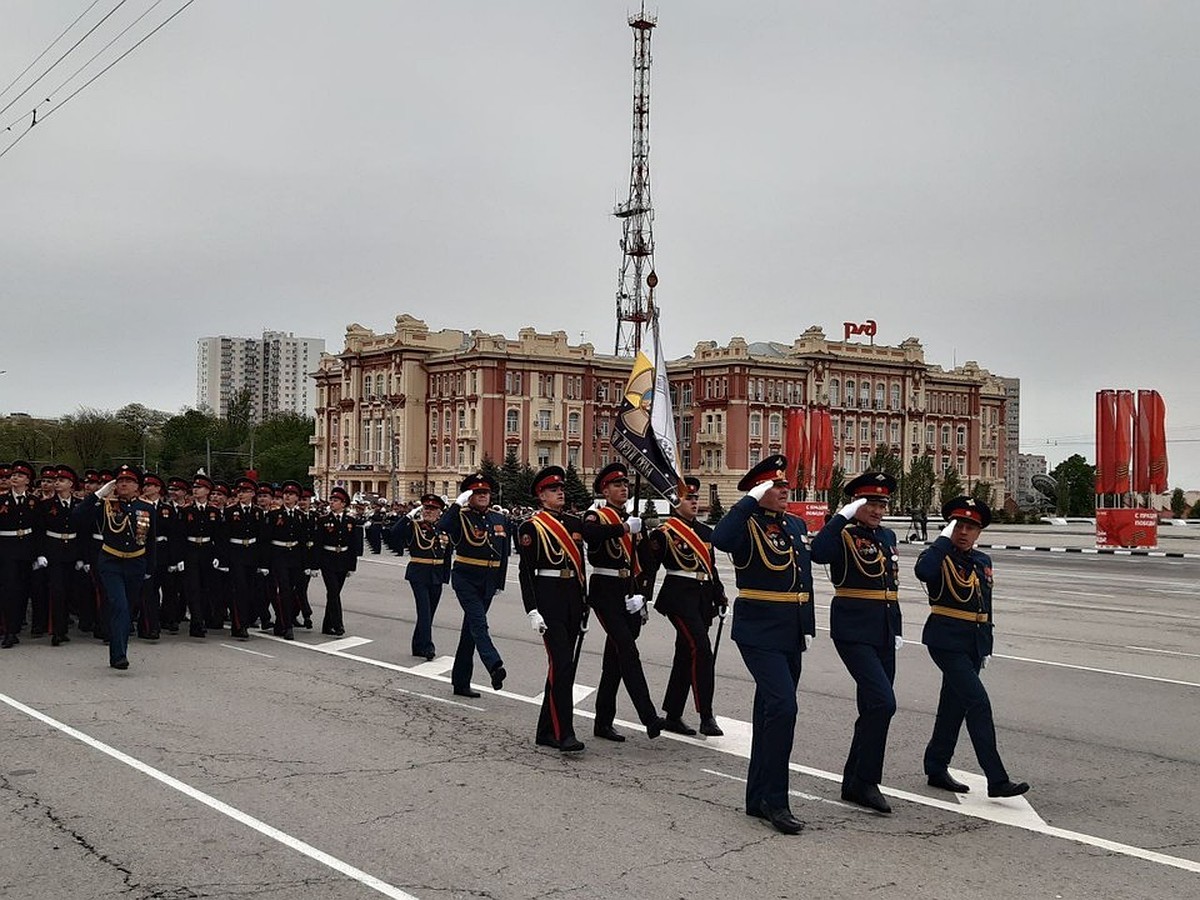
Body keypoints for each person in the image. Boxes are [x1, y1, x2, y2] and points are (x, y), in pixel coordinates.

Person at [712, 456, 813, 836]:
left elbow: (803, 577)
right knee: (784, 708)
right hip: (758, 632)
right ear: (759, 492)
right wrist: (748, 502)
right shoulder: (745, 526)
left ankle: (756, 797)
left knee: (770, 713)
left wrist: (806, 627)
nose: (785, 491)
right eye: (776, 487)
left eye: (785, 486)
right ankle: (776, 800)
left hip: (790, 632)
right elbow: (719, 539)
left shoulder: (795, 525)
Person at [915, 496, 1029, 799]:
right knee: (978, 702)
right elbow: (924, 573)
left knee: (953, 706)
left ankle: (936, 766)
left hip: (973, 643)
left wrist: (986, 646)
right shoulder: (937, 557)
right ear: (949, 526)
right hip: (945, 640)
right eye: (959, 525)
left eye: (971, 527)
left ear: (979, 532)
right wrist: (941, 539)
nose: (964, 532)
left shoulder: (982, 561)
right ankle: (997, 778)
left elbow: (985, 606)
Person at [810, 472, 902, 815]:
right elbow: (818, 553)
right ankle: (867, 781)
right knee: (883, 703)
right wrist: (840, 517)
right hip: (853, 630)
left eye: (881, 504)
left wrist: (897, 628)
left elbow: (890, 587)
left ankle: (854, 782)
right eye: (870, 503)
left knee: (873, 707)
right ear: (856, 505)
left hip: (884, 631)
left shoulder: (887, 535)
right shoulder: (843, 535)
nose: (877, 510)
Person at [639, 476, 729, 737]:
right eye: (688, 498)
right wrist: (642, 596)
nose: (693, 501)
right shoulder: (664, 533)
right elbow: (649, 567)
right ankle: (706, 715)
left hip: (702, 598)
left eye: (695, 497)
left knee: (685, 654)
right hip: (678, 597)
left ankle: (674, 714)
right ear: (675, 501)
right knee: (701, 649)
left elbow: (710, 569)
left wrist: (720, 596)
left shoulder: (705, 533)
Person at [580, 462, 664, 741]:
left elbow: (648, 563)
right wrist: (624, 528)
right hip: (605, 591)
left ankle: (603, 721)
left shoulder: (633, 520)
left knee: (614, 661)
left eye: (626, 484)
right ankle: (649, 717)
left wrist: (642, 594)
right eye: (617, 485)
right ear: (605, 490)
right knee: (627, 651)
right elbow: (589, 535)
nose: (623, 488)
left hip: (629, 590)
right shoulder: (598, 516)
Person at [517, 466, 587, 753]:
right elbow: (526, 573)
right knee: (562, 666)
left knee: (561, 668)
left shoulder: (572, 522)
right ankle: (564, 733)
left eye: (561, 489)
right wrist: (532, 610)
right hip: (549, 603)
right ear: (541, 496)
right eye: (553, 490)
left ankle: (545, 730)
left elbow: (580, 565)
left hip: (572, 600)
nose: (560, 493)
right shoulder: (531, 527)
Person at [72, 465, 156, 670]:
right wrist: (98, 494)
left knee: (128, 608)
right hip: (111, 562)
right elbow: (77, 516)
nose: (123, 484)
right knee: (119, 605)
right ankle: (119, 655)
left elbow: (150, 542)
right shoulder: (105, 505)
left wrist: (149, 569)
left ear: (137, 486)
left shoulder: (146, 508)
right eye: (119, 481)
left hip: (136, 563)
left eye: (128, 481)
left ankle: (119, 650)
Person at [438, 473, 509, 697]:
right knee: (479, 624)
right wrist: (456, 504)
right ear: (469, 495)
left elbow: (503, 553)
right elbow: (442, 526)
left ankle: (460, 682)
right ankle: (494, 665)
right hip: (466, 578)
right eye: (477, 493)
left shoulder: (499, 518)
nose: (482, 496)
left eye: (485, 493)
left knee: (469, 633)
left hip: (488, 580)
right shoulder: (460, 516)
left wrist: (500, 581)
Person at [390, 493, 451, 660]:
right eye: (426, 508)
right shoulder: (414, 526)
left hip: (437, 574)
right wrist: (409, 515)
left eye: (433, 509)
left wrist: (445, 577)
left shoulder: (443, 529)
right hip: (419, 573)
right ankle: (427, 647)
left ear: (440, 512)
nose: (428, 511)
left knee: (429, 612)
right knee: (424, 611)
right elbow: (394, 533)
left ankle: (417, 645)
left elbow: (447, 555)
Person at [38, 465, 81, 647]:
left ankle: (65, 628)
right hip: (53, 550)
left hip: (72, 550)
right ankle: (57, 631)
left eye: (61, 480)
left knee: (70, 591)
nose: (57, 483)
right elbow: (40, 530)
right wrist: (41, 553)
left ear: (70, 484)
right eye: (55, 480)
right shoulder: (46, 505)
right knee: (57, 591)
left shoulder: (78, 504)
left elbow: (83, 532)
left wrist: (82, 556)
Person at [0, 461, 39, 649]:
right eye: (13, 475)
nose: (14, 478)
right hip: (6, 548)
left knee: (23, 590)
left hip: (27, 549)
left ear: (28, 481)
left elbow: (39, 528)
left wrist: (39, 553)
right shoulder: (2, 500)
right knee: (9, 590)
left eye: (20, 476)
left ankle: (16, 626)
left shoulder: (33, 501)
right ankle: (9, 631)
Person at [315, 486, 363, 635]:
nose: (332, 502)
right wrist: (315, 564)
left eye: (336, 500)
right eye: (331, 500)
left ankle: (326, 625)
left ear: (343, 504)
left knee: (334, 593)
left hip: (343, 559)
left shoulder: (350, 521)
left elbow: (353, 545)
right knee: (333, 591)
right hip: (327, 560)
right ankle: (338, 624)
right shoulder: (323, 520)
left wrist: (352, 566)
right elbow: (318, 543)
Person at [265, 481, 308, 639]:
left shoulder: (301, 517)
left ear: (297, 498)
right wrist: (265, 563)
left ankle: (280, 623)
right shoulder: (274, 515)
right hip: (278, 555)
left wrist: (306, 564)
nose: (287, 496)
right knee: (283, 590)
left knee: (292, 590)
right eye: (285, 494)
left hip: (294, 556)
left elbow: (303, 541)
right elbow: (266, 540)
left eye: (291, 494)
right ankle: (287, 625)